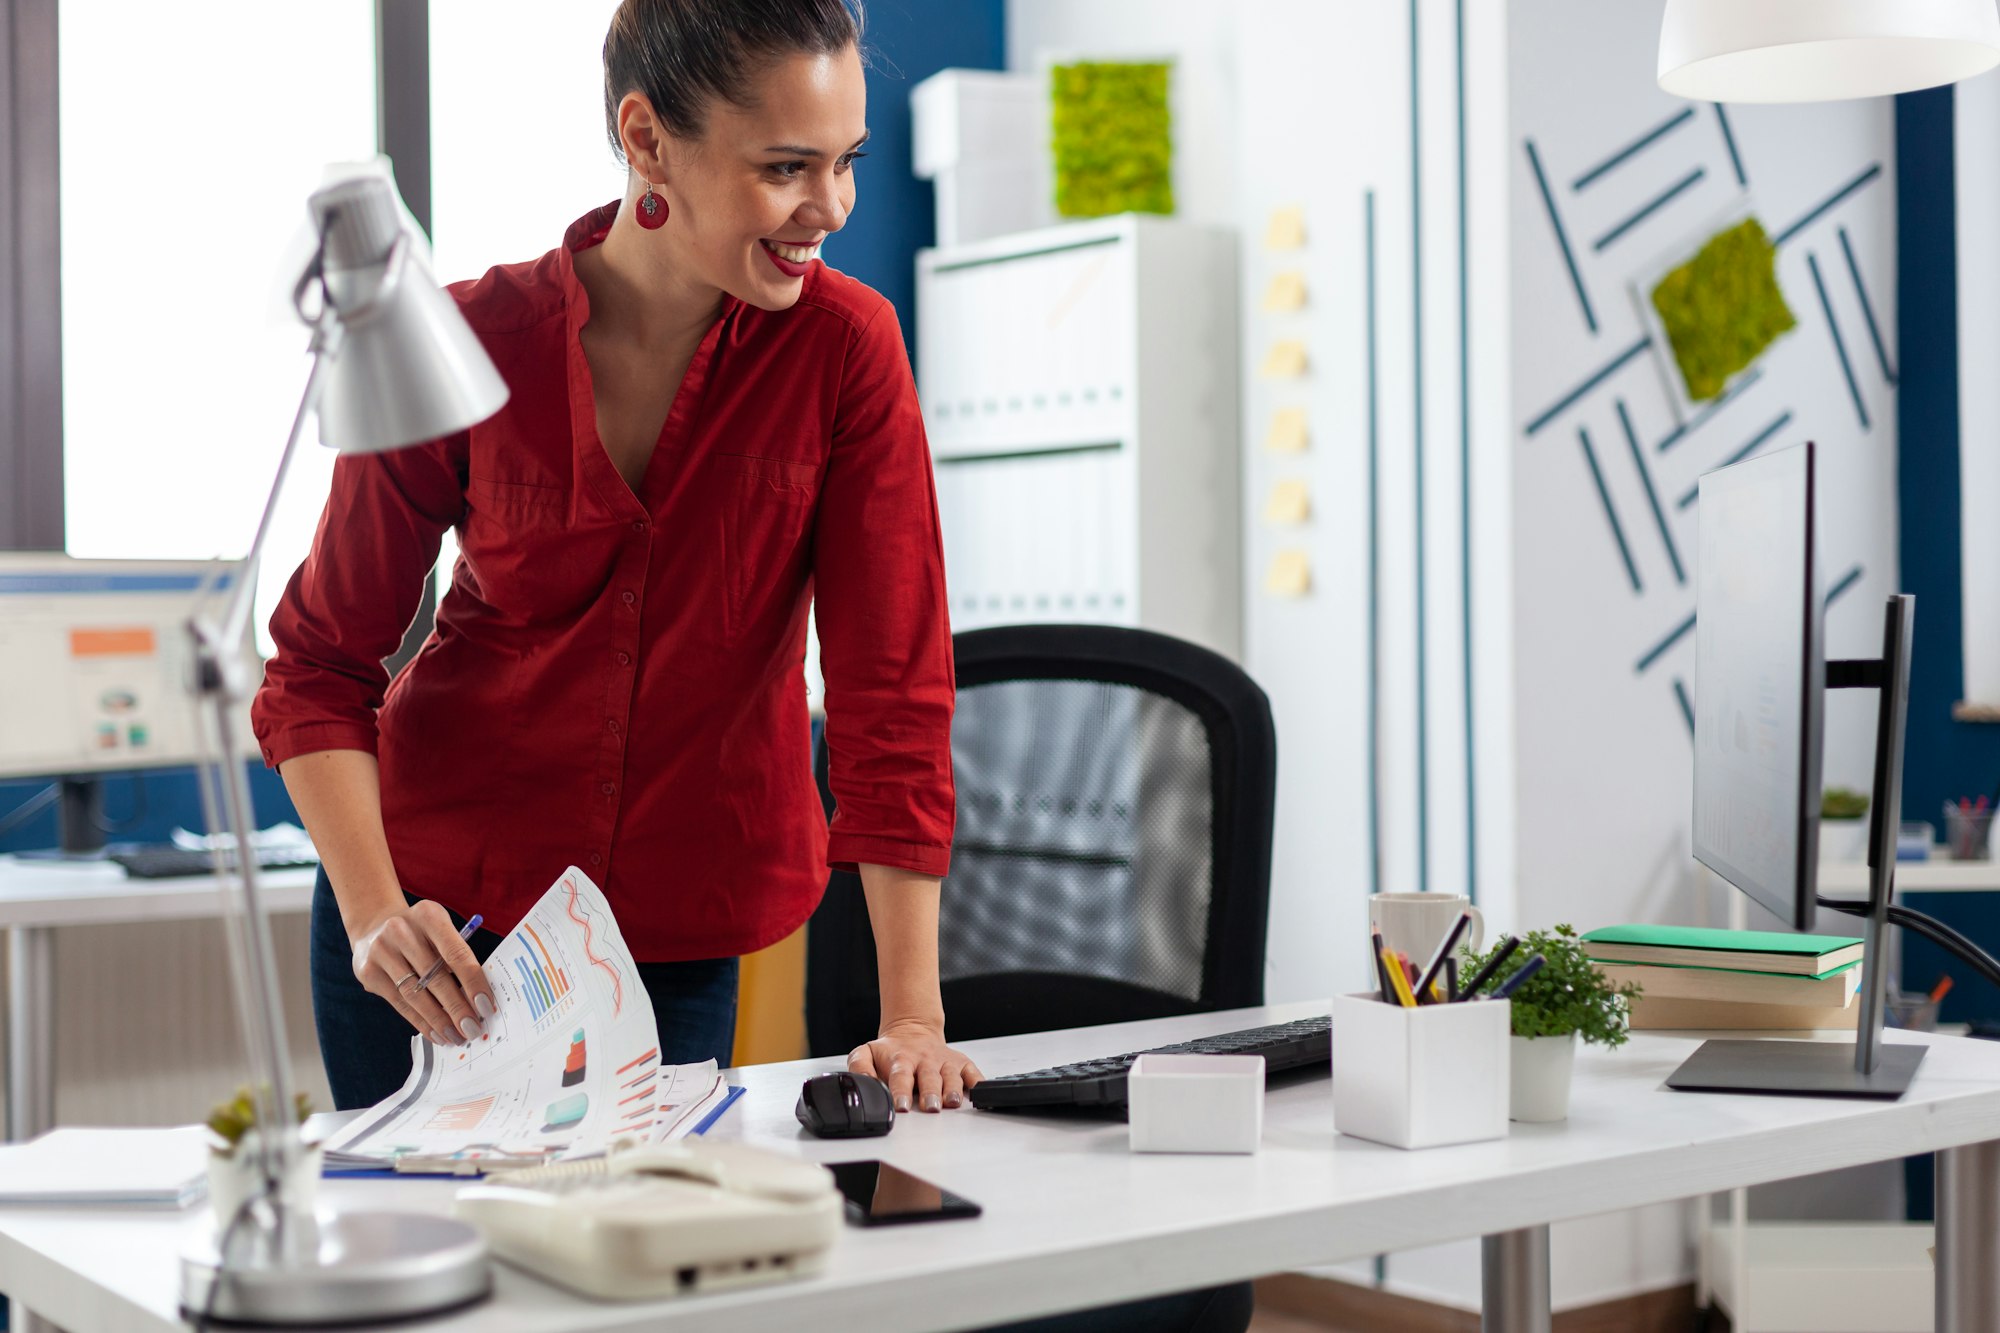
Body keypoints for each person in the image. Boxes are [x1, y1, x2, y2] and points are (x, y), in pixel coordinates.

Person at [253, 0, 978, 1122]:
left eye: (844, 163)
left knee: (627, 1281)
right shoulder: (467, 342)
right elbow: (316, 666)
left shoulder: (845, 351)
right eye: (786, 166)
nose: (829, 207)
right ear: (646, 139)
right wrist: (371, 912)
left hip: (668, 938)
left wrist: (911, 1016)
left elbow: (893, 692)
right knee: (434, 1287)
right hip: (433, 930)